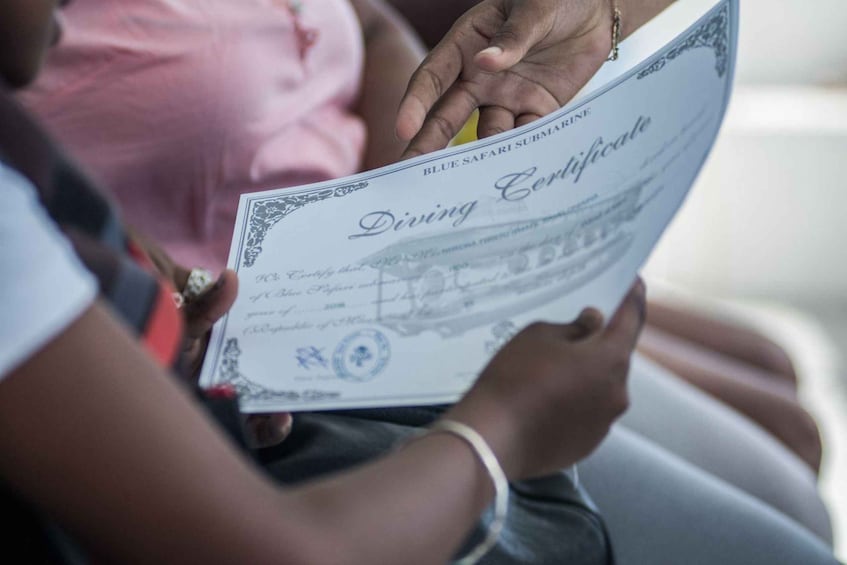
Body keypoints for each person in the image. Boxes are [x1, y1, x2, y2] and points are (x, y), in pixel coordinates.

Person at [17, 0, 838, 556]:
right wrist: (502, 427)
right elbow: (282, 544)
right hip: (313, 370)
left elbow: (364, 23)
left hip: (399, 276)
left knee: (784, 456)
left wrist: (423, 197)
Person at [391, 0, 825, 473]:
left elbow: (372, 26)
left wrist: (602, 11)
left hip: (464, 232)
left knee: (770, 360)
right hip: (427, 278)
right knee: (792, 432)